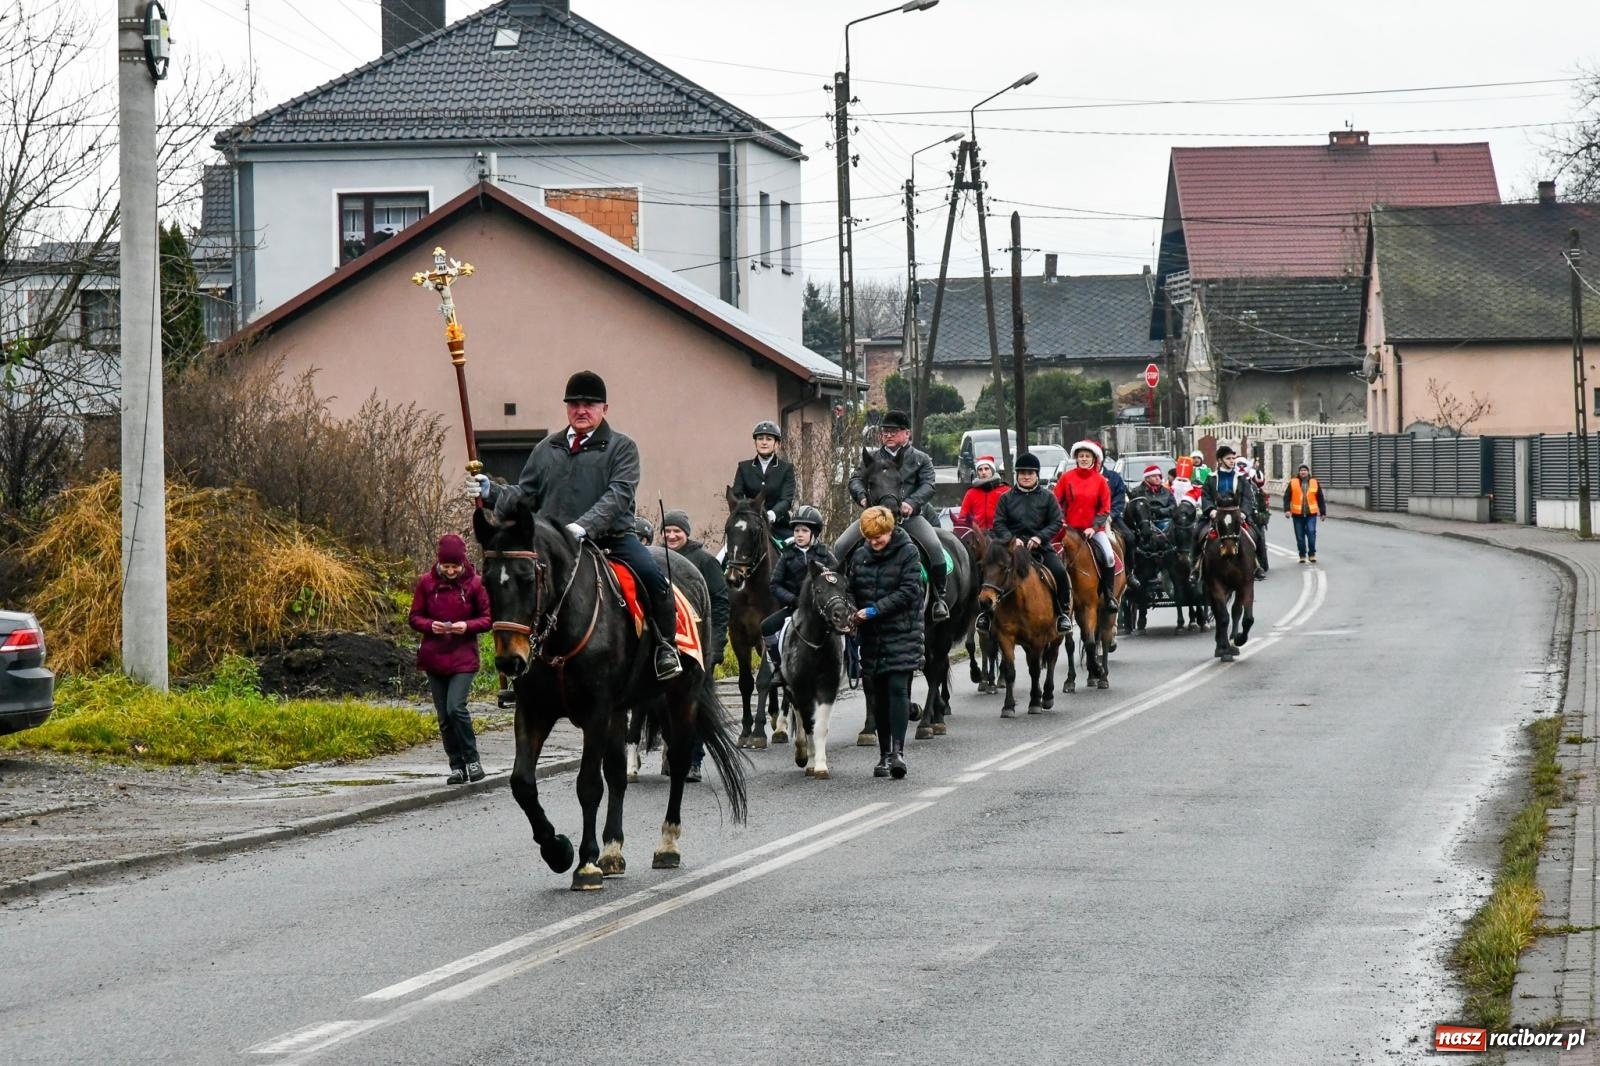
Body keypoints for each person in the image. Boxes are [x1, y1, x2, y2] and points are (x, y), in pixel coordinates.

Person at [473, 370, 682, 680]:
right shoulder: (547, 448)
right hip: (554, 545)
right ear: (566, 407)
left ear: (604, 409)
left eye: (590, 404)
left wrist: (584, 527)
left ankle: (666, 648)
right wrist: (491, 492)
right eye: (574, 404)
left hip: (613, 539)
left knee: (655, 580)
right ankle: (522, 660)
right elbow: (525, 495)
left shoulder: (622, 447)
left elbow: (619, 495)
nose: (581, 410)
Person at [834, 409, 949, 621]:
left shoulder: (921, 459)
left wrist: (911, 503)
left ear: (907, 434)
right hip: (875, 517)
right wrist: (861, 497)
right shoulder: (873, 458)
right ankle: (838, 597)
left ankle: (938, 598)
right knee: (840, 546)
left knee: (934, 548)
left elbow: (928, 485)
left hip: (909, 517)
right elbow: (855, 479)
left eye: (893, 432)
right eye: (884, 432)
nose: (887, 435)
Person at [843, 506, 924, 780]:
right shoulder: (860, 555)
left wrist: (876, 609)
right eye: (870, 538)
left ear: (890, 530)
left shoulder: (908, 552)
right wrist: (851, 609)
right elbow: (851, 588)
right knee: (876, 697)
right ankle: (883, 754)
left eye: (879, 537)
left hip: (901, 630)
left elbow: (910, 590)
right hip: (871, 636)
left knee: (897, 690)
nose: (875, 542)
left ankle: (898, 754)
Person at [409, 534, 492, 784]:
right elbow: (414, 617)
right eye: (446, 566)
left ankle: (473, 759)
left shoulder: (475, 584)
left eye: (455, 566)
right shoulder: (426, 583)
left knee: (456, 708)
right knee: (444, 717)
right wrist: (430, 625)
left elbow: (488, 618)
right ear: (439, 563)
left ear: (463, 563)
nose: (451, 571)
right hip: (434, 658)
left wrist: (466, 626)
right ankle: (456, 766)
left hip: (463, 658)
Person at [661, 510, 730, 783]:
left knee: (694, 706)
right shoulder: (657, 559)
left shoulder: (705, 561)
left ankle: (694, 760)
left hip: (699, 646)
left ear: (686, 532)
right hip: (666, 646)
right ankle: (674, 752)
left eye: (676, 530)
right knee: (664, 705)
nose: (671, 535)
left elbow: (721, 603)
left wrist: (718, 641)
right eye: (667, 531)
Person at [988, 452, 1071, 633]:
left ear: (1037, 475)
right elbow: (998, 523)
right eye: (1022, 472)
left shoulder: (1048, 497)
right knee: (990, 570)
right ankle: (986, 616)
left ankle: (1062, 612)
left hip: (1039, 547)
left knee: (1059, 571)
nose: (1026, 476)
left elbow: (1056, 522)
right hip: (1012, 549)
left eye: (1030, 473)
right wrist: (1011, 539)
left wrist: (1039, 537)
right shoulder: (1006, 498)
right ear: (1017, 474)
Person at [761, 506, 837, 669]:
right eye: (796, 530)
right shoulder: (786, 556)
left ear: (814, 533)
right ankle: (778, 666)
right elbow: (775, 584)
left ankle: (851, 662)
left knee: (844, 626)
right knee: (766, 627)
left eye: (804, 530)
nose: (799, 534)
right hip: (795, 607)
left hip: (821, 609)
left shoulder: (826, 555)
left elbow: (837, 580)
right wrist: (793, 600)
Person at [1053, 439, 1124, 612]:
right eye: (1081, 456)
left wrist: (1094, 527)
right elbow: (1056, 501)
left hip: (1093, 530)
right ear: (1076, 458)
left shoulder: (1101, 481)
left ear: (1094, 459)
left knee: (1108, 556)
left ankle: (1108, 595)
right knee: (1053, 556)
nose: (1084, 459)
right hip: (1069, 529)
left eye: (1087, 456)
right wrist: (1061, 520)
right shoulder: (1066, 478)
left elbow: (1105, 507)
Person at [1191, 444, 1260, 576]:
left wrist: (1244, 513)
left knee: (1257, 535)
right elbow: (1205, 496)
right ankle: (1195, 567)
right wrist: (1211, 510)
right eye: (1228, 458)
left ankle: (1258, 566)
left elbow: (1247, 497)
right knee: (1196, 533)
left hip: (1237, 515)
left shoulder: (1241, 477)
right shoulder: (1211, 477)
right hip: (1216, 514)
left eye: (1233, 458)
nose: (1232, 461)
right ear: (1220, 460)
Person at [730, 420, 797, 538]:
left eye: (769, 439)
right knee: (723, 555)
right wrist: (747, 513)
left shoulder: (786, 468)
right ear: (755, 442)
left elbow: (786, 500)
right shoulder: (743, 467)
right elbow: (737, 495)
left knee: (796, 551)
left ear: (776, 444)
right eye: (760, 439)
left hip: (778, 526)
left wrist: (772, 514)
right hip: (748, 525)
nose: (764, 442)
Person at [1283, 463, 1329, 564]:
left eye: (1305, 470)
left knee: (1311, 534)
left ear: (1308, 472)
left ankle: (1312, 554)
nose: (1303, 472)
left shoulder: (1314, 482)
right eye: (1301, 470)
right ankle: (1302, 555)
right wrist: (1287, 510)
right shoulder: (1293, 482)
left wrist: (1323, 512)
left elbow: (1320, 498)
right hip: (1297, 515)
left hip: (1311, 514)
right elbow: (1287, 497)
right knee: (1300, 537)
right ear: (1299, 472)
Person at [956, 455, 1009, 532]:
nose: (983, 472)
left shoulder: (1005, 490)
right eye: (980, 470)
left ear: (992, 470)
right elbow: (963, 517)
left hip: (1000, 535)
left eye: (986, 469)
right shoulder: (971, 493)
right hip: (977, 536)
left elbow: (1013, 516)